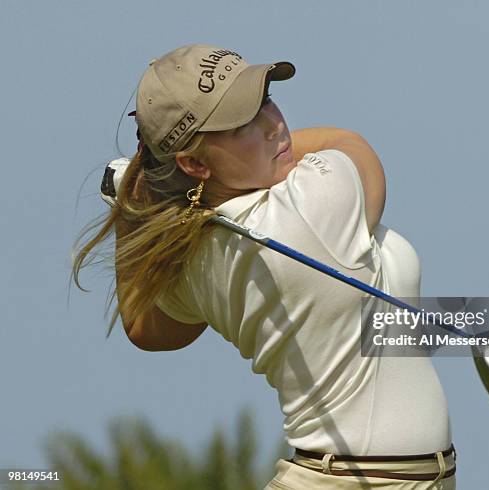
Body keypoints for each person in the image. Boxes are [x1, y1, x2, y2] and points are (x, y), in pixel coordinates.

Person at [72, 44, 457, 489]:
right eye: (243, 124)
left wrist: (131, 206)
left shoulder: (193, 248)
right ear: (194, 162)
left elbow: (147, 329)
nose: (275, 124)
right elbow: (351, 144)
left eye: (266, 101)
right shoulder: (313, 204)